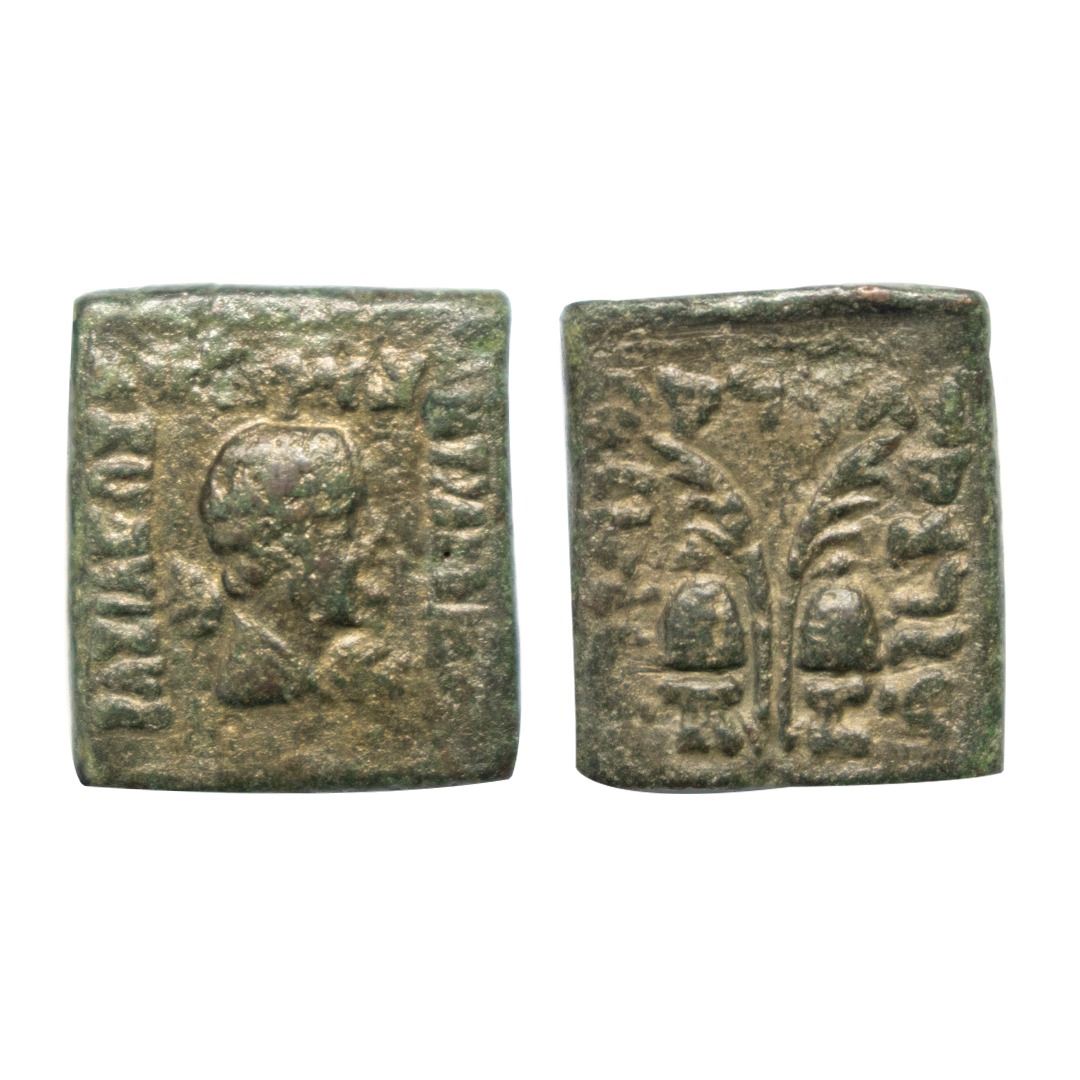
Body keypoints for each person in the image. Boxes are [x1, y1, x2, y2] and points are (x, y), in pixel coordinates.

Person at [200, 422, 360, 706]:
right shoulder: (257, 678)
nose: (359, 551)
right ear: (273, 547)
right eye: (339, 530)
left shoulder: (333, 675)